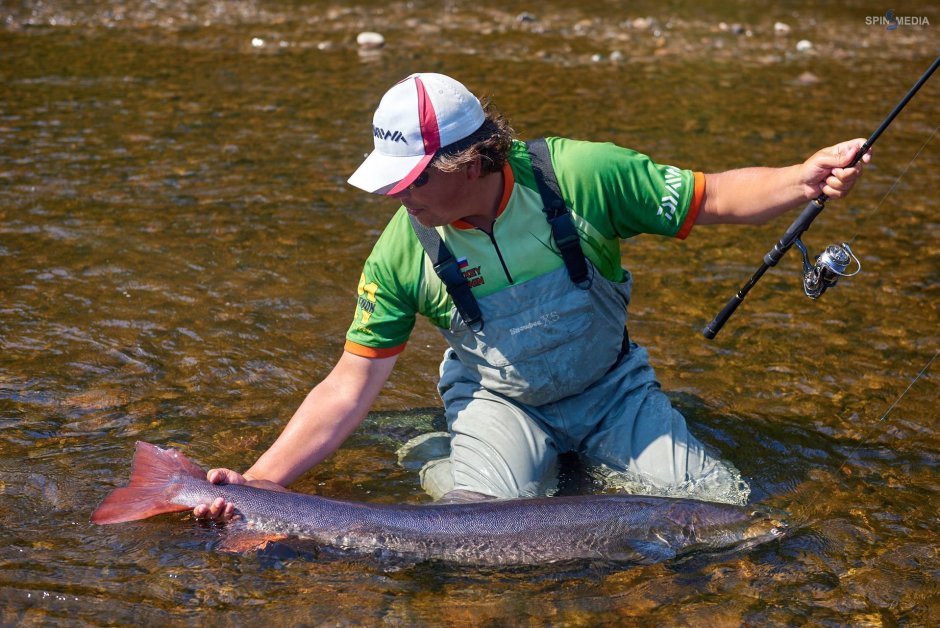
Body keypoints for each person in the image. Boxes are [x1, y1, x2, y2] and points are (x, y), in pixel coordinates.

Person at [194, 72, 871, 521]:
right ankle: (445, 453)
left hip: (613, 391)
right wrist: (261, 483)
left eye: (408, 182)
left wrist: (801, 177)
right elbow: (348, 387)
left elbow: (715, 197)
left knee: (723, 517)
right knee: (478, 537)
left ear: (470, 161)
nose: (392, 197)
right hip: (500, 402)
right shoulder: (400, 251)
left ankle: (573, 459)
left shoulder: (582, 176)